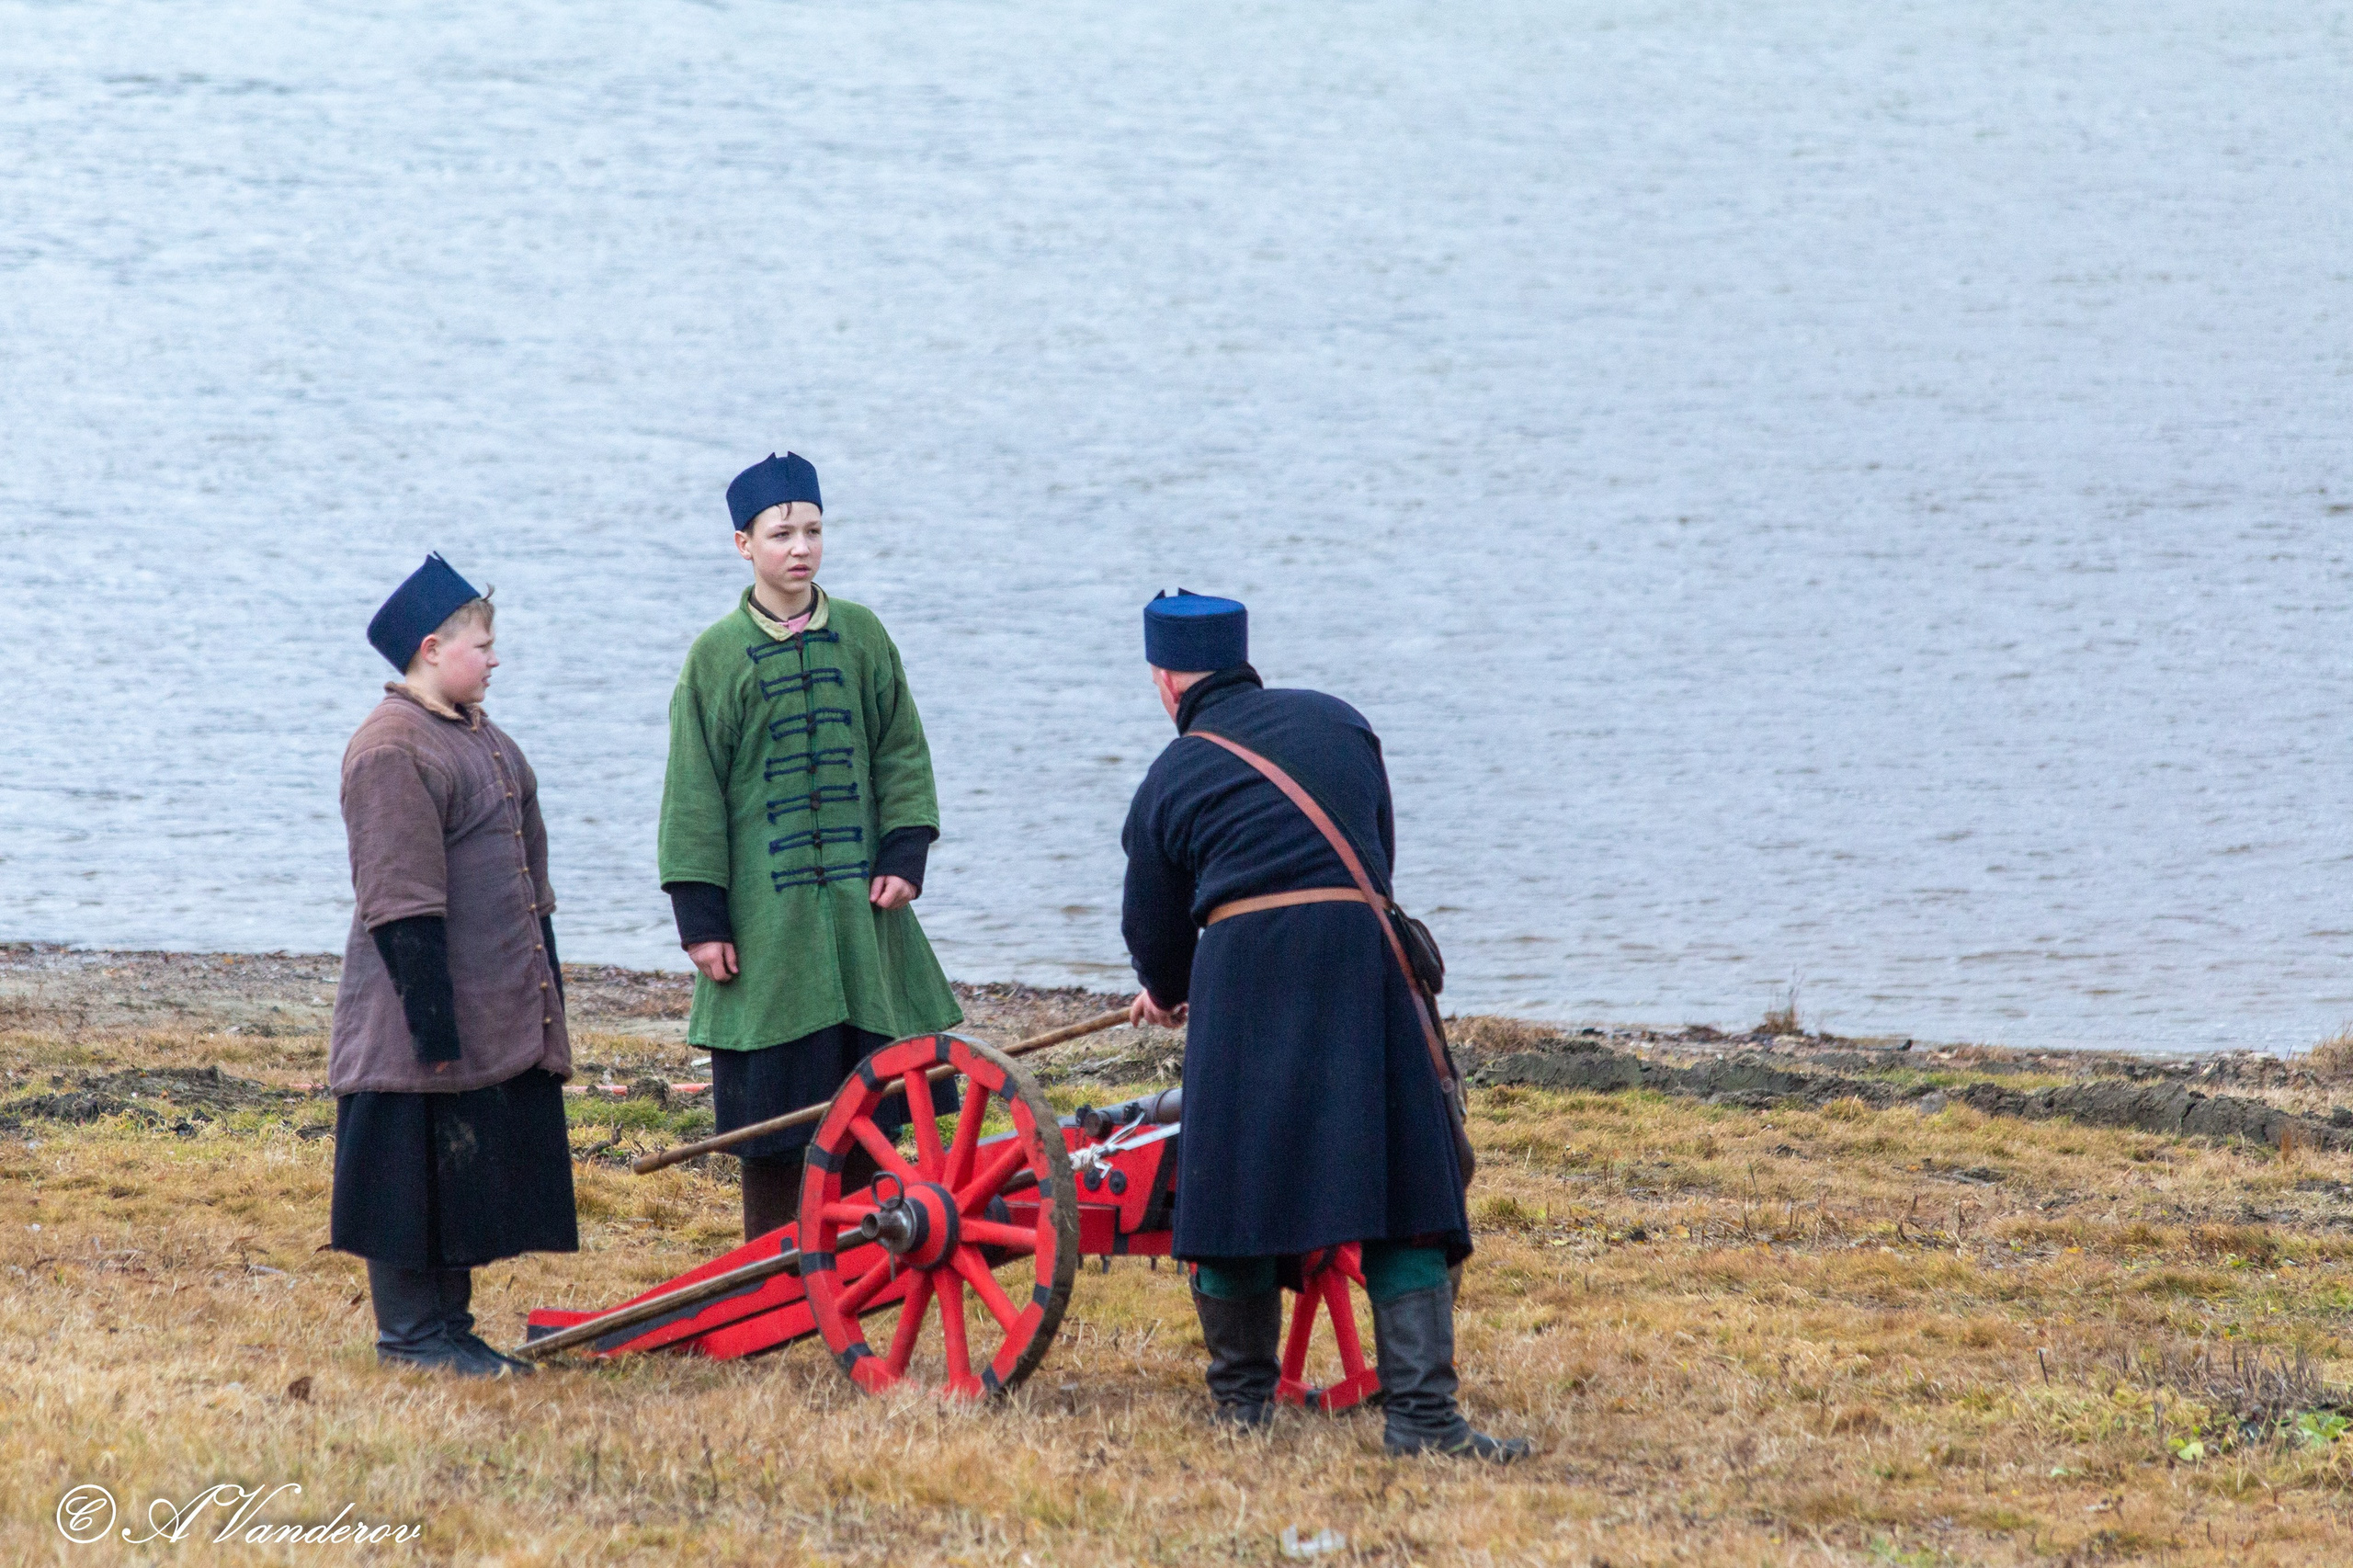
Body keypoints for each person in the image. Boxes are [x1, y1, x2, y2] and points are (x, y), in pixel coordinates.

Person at [1120, 590, 1529, 1460]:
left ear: (1167, 681)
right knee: (1404, 1192)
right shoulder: (1342, 723)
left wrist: (1166, 989)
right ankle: (1424, 1420)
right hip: (1362, 962)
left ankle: (1243, 1410)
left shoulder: (1173, 772)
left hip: (1245, 976)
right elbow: (1377, 855)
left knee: (1230, 1185)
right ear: (1240, 660)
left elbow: (1152, 929)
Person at [658, 452, 961, 1241]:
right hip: (766, 925)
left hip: (863, 917)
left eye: (814, 531)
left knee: (869, 1109)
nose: (801, 548)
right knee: (776, 1127)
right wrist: (702, 918)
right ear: (743, 544)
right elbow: (693, 791)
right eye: (782, 534)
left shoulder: (862, 635)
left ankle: (862, 1258)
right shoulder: (714, 656)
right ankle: (773, 1264)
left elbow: (900, 749)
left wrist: (904, 853)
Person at [329, 553, 578, 1376]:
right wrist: (432, 1029)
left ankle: (450, 1329)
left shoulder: (483, 738)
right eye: (483, 645)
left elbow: (531, 882)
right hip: (414, 1005)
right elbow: (398, 899)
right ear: (432, 649)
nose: (496, 659)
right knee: (411, 1171)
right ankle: (410, 1338)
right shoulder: (391, 747)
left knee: (458, 1173)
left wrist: (541, 990)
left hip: (483, 1000)